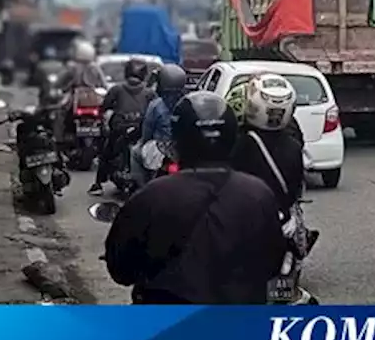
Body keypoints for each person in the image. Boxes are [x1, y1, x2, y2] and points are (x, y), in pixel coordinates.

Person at [103, 91, 288, 304]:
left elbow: (120, 268)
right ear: (231, 137)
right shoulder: (259, 195)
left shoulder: (151, 197)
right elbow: (273, 263)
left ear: (178, 140)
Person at [227, 73, 306, 211]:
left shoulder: (240, 143)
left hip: (247, 216)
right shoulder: (293, 144)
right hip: (281, 218)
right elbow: (296, 188)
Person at [90, 58, 156, 196]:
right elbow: (154, 110)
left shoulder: (117, 89)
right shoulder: (149, 93)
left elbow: (105, 106)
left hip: (120, 128)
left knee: (106, 152)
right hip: (140, 130)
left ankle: (98, 184)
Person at [131, 64, 187, 182]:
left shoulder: (156, 105)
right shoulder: (187, 102)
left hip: (160, 147)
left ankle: (142, 188)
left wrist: (142, 142)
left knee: (135, 152)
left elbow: (147, 131)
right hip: (182, 148)